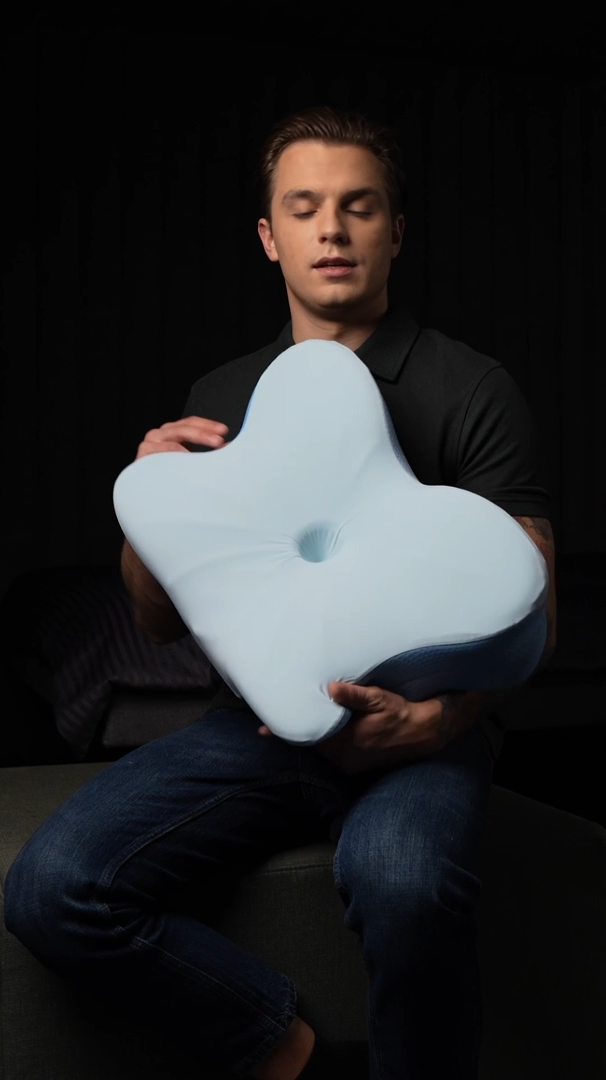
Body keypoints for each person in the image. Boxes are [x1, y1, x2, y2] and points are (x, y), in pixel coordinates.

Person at [4, 105, 556, 1080]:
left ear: (396, 230)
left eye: (358, 206)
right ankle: (283, 1048)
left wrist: (440, 721)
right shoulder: (224, 394)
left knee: (405, 880)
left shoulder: (471, 387)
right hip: (254, 730)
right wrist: (153, 500)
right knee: (51, 885)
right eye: (304, 208)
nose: (331, 229)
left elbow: (536, 609)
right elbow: (157, 620)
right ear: (269, 236)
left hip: (415, 730)